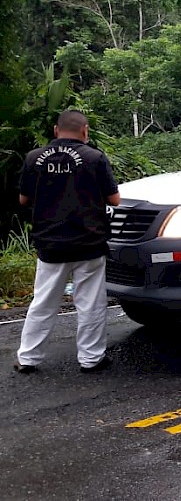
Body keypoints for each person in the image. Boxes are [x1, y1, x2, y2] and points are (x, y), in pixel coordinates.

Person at [14, 110, 120, 374]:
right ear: (85, 131)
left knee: (43, 301)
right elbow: (114, 200)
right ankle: (91, 359)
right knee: (91, 303)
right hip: (89, 242)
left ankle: (28, 358)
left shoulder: (33, 158)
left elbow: (23, 200)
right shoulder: (94, 157)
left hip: (50, 242)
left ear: (55, 130)